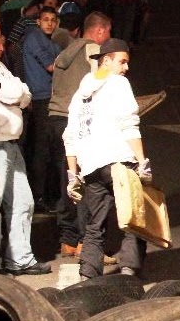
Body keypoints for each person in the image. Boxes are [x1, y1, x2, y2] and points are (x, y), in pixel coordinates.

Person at [63, 38, 151, 280]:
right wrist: (142, 162)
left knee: (95, 223)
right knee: (134, 217)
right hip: (119, 161)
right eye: (122, 62)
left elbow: (70, 135)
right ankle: (128, 272)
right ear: (107, 60)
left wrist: (73, 175)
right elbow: (129, 125)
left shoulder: (80, 95)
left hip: (91, 167)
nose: (126, 67)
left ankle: (87, 275)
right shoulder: (119, 84)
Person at [0, 17, 50, 274]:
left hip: (11, 143)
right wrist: (16, 94)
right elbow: (16, 93)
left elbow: (25, 93)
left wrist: (14, 93)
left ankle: (20, 258)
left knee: (23, 202)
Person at [48, 11, 112, 259]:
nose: (108, 37)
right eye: (108, 32)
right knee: (85, 183)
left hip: (55, 119)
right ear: (99, 30)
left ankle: (68, 240)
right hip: (76, 121)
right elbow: (99, 87)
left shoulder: (65, 51)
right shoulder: (93, 51)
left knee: (68, 181)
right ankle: (87, 242)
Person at [21, 6, 61, 213]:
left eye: (53, 20)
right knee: (42, 149)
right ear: (38, 21)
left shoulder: (51, 42)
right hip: (40, 98)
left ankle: (46, 194)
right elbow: (51, 65)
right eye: (46, 19)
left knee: (48, 148)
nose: (49, 23)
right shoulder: (34, 37)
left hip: (48, 97)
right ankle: (39, 196)